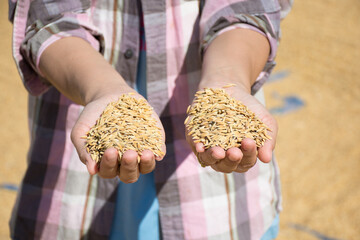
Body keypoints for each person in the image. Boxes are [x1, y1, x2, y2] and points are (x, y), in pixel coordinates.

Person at [8, 0, 292, 239]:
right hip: (72, 188)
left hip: (217, 207)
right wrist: (101, 90)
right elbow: (48, 18)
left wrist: (229, 78)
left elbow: (249, 8)